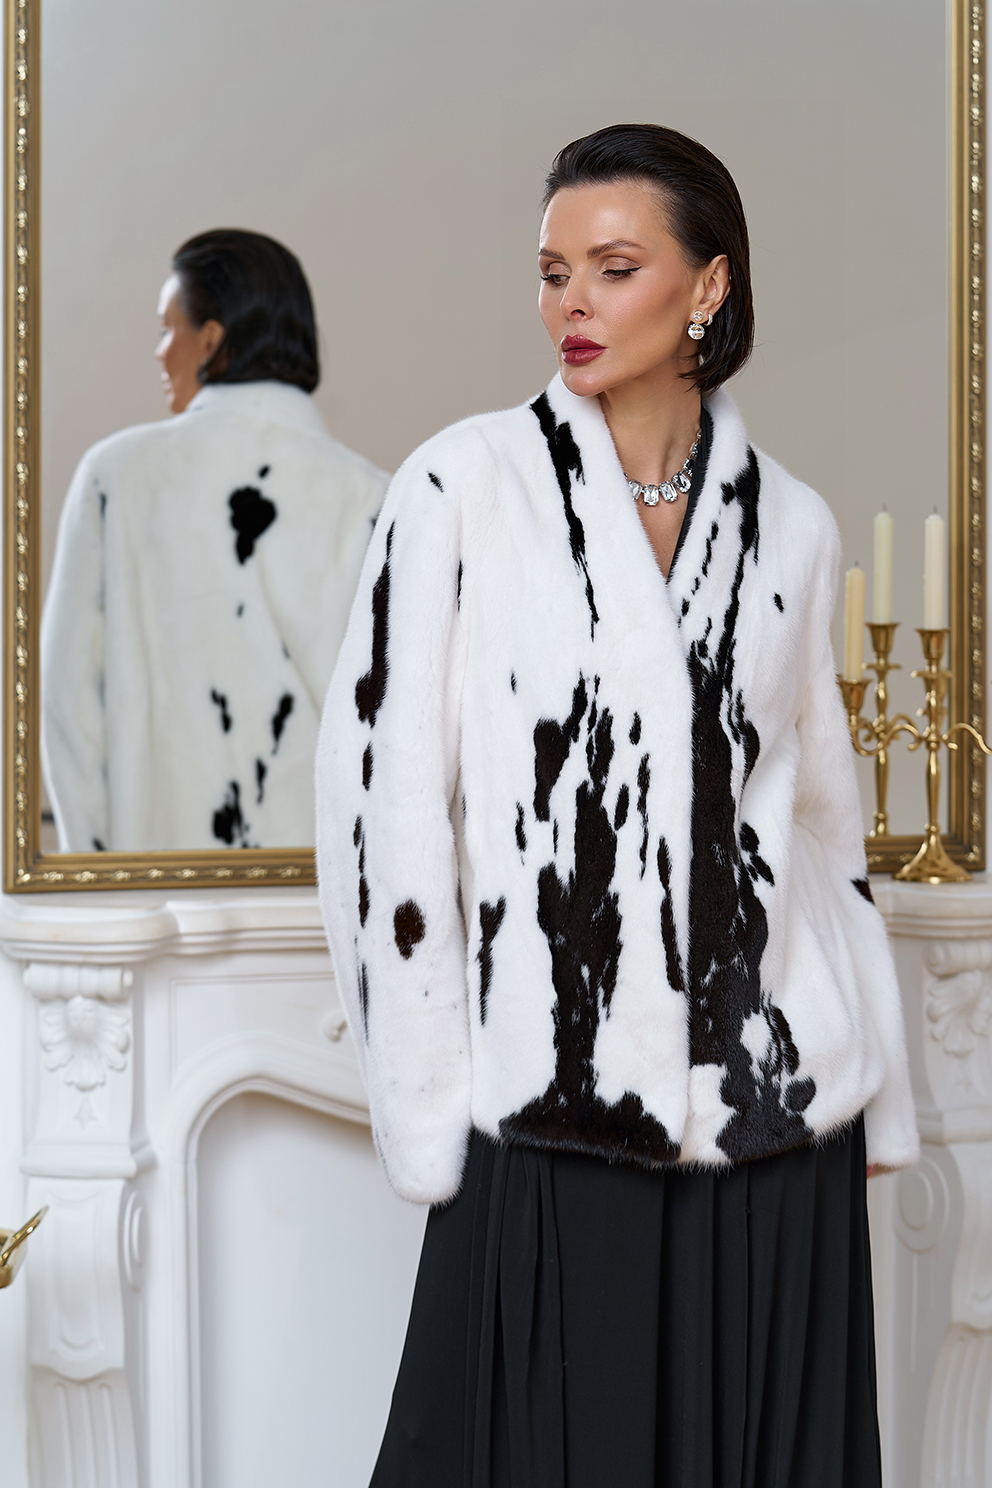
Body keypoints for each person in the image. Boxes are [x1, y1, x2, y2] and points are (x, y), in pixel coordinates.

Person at [316, 125, 918, 1488]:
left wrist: (872, 1094)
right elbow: (383, 806)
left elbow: (822, 825)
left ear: (707, 286)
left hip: (772, 1112)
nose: (571, 303)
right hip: (551, 1104)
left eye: (613, 267)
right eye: (552, 272)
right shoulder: (463, 488)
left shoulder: (793, 525)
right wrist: (430, 1100)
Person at [42, 229, 387, 852]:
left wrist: (96, 880)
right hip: (319, 888)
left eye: (166, 329)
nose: (159, 353)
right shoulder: (372, 496)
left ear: (210, 338)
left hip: (154, 886)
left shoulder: (117, 477)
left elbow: (68, 707)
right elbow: (393, 728)